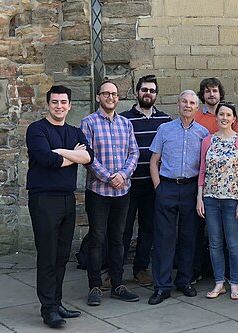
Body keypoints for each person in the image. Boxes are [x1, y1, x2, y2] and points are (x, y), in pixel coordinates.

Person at [26, 85, 93, 328]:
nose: (59, 106)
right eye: (55, 102)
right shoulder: (36, 130)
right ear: (48, 104)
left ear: (70, 105)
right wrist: (71, 155)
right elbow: (47, 159)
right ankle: (48, 309)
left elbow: (88, 157)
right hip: (44, 199)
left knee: (62, 255)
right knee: (48, 254)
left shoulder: (74, 131)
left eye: (63, 102)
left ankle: (57, 301)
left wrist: (62, 152)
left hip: (67, 199)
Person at [81, 80, 140, 307]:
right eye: (106, 93)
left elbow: (134, 153)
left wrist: (123, 175)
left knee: (118, 238)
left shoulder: (126, 124)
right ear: (98, 97)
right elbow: (87, 157)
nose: (110, 97)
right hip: (98, 191)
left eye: (114, 94)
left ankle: (117, 285)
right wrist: (108, 177)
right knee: (97, 238)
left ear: (118, 98)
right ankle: (95, 286)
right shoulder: (88, 123)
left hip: (122, 190)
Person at [148, 90, 209, 305]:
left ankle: (184, 280)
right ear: (178, 104)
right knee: (164, 239)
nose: (188, 105)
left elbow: (203, 168)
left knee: (189, 237)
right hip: (167, 188)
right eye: (184, 101)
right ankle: (162, 286)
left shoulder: (203, 133)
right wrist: (158, 188)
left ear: (197, 107)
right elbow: (154, 161)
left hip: (191, 189)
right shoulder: (164, 129)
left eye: (192, 102)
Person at [120, 75, 172, 287]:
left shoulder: (165, 121)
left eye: (151, 90)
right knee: (122, 230)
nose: (148, 93)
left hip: (152, 185)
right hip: (128, 185)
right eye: (144, 90)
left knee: (148, 229)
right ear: (137, 93)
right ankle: (113, 271)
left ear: (156, 95)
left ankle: (141, 269)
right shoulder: (124, 119)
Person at [196, 102, 238, 300]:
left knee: (233, 244)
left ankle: (234, 283)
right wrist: (199, 198)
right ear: (216, 117)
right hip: (210, 198)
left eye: (228, 115)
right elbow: (202, 170)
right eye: (221, 114)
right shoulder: (207, 141)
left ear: (234, 118)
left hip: (232, 199)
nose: (225, 118)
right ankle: (219, 282)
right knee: (215, 243)